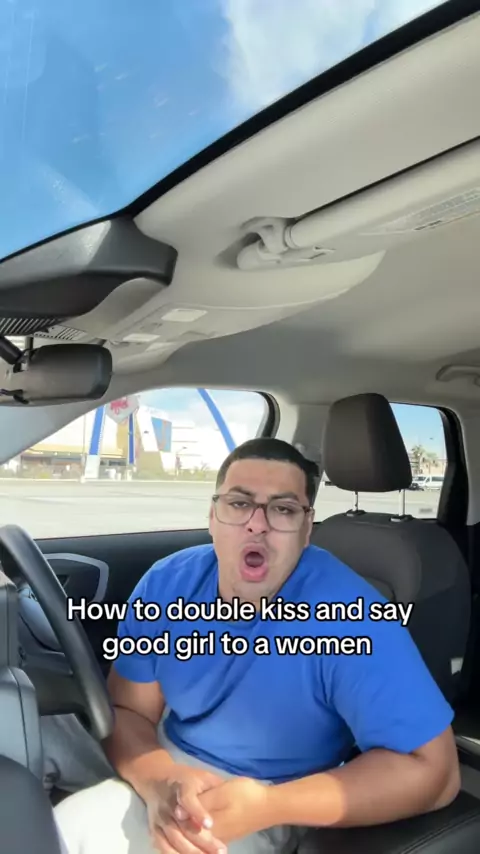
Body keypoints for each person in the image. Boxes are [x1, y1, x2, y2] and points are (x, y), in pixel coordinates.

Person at [51, 438, 460, 854]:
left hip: (261, 792)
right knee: (24, 718)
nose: (257, 524)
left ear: (306, 530)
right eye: (239, 503)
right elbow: (130, 711)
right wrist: (160, 779)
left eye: (283, 509)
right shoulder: (167, 582)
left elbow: (436, 772)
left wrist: (269, 806)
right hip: (163, 747)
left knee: (72, 829)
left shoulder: (351, 616)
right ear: (212, 516)